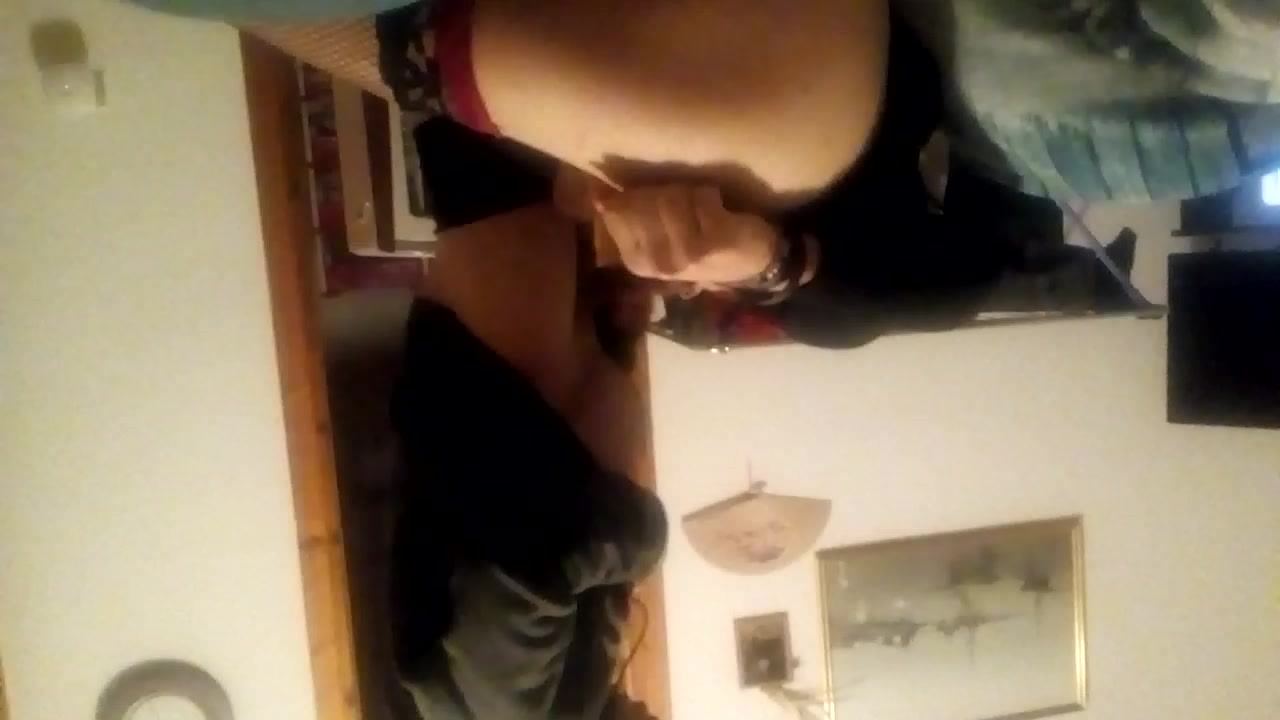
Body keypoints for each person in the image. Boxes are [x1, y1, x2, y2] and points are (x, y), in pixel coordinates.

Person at [387, 115, 668, 718]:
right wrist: (613, 347)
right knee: (512, 103)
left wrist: (647, 541)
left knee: (481, 105)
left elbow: (524, 561)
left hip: (506, 372)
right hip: (535, 354)